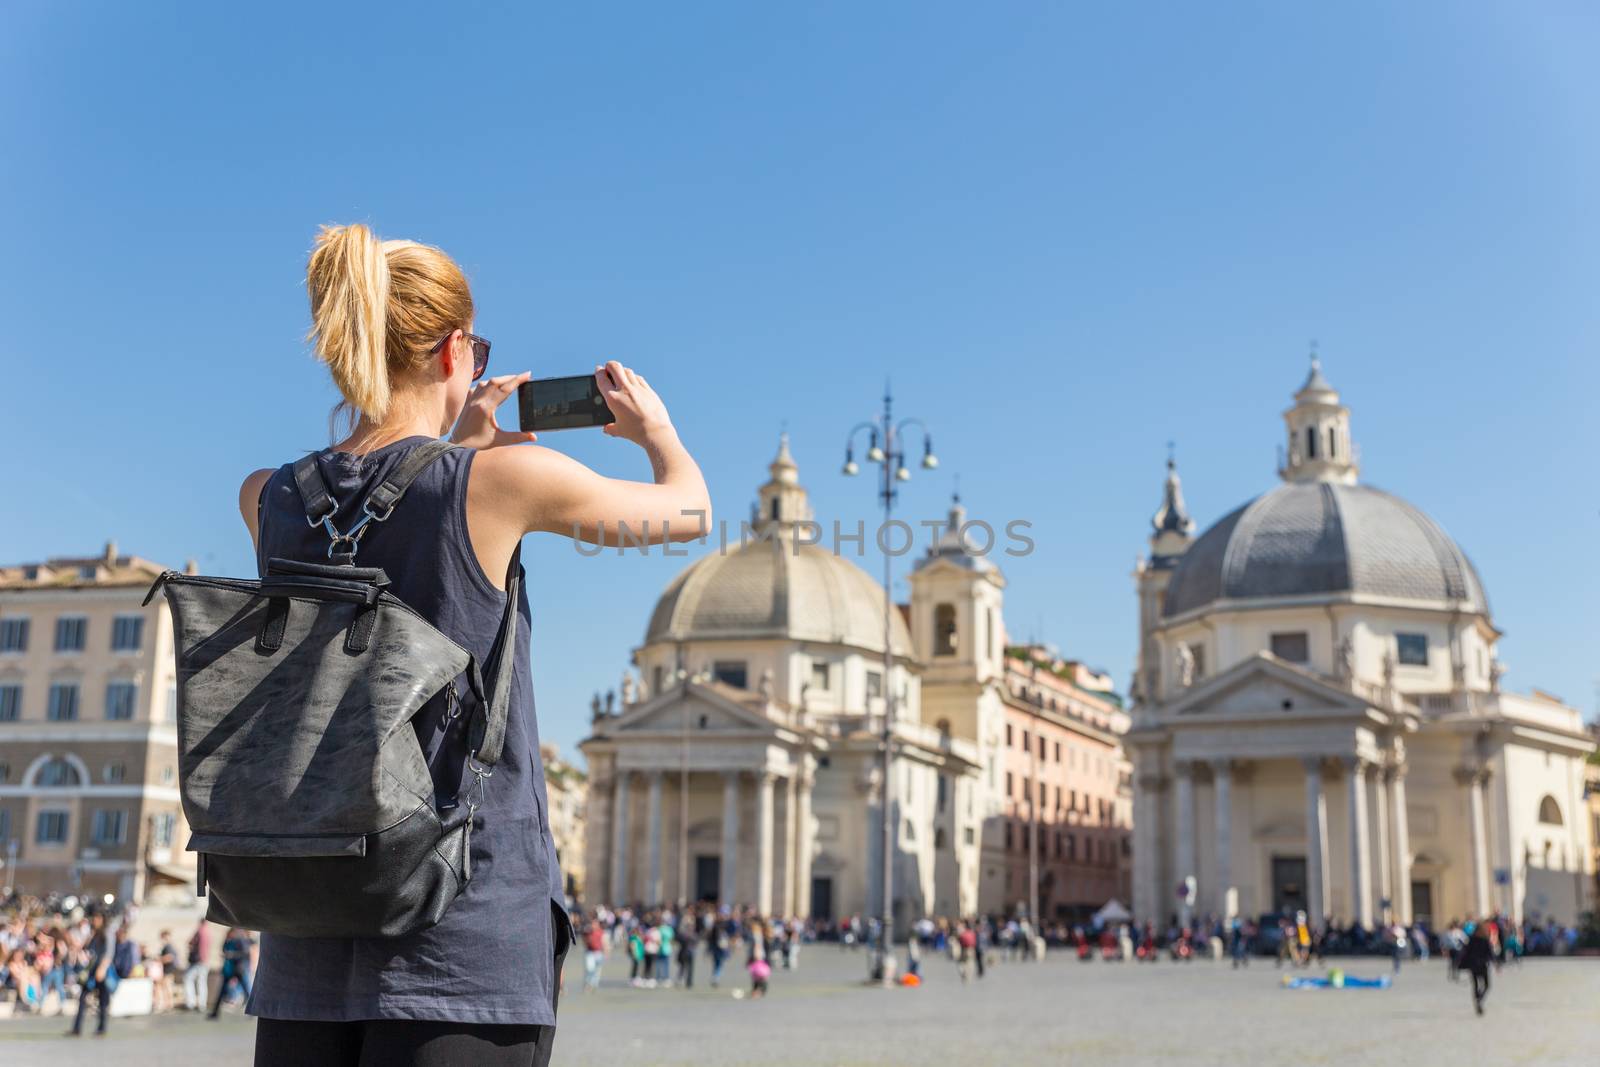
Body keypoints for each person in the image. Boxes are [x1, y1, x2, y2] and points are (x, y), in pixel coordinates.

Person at [240, 224, 708, 1067]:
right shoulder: (499, 483)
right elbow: (687, 509)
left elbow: (380, 524)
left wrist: (463, 450)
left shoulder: (269, 498)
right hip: (459, 934)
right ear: (457, 349)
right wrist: (655, 429)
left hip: (306, 927)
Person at [68, 913, 113, 1037]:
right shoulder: (94, 934)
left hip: (101, 970)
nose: (95, 921)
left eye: (98, 918)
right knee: (83, 997)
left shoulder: (107, 933)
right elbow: (88, 949)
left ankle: (102, 1028)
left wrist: (102, 968)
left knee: (103, 1000)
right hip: (92, 970)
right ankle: (77, 1027)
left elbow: (109, 952)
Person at [208, 927, 255, 1018]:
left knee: (246, 991)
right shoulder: (228, 941)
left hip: (239, 969)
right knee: (221, 992)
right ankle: (215, 1012)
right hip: (229, 970)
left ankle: (251, 1012)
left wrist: (232, 955)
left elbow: (245, 953)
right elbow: (223, 951)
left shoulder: (240, 940)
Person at [1461, 921, 1494, 1015]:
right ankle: (1479, 999)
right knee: (1486, 985)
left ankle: (1477, 1000)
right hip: (1482, 965)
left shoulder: (1471, 939)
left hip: (1473, 965)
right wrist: (1495, 963)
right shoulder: (1485, 940)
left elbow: (1465, 952)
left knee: (1476, 985)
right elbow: (1490, 953)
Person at [183, 919, 211, 1012]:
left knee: (188, 978)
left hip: (198, 961)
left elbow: (190, 943)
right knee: (202, 982)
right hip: (205, 961)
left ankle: (191, 1002)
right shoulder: (208, 932)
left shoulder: (199, 931)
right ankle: (202, 1004)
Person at [582, 917, 606, 993]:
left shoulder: (601, 932)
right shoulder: (588, 932)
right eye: (592, 924)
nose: (593, 925)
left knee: (597, 971)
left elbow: (605, 942)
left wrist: (606, 952)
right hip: (590, 953)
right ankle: (588, 984)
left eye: (595, 924)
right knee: (590, 969)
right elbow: (584, 939)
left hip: (599, 953)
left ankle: (594, 985)